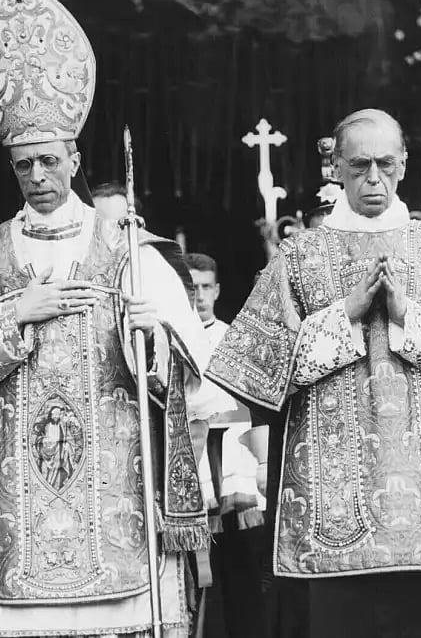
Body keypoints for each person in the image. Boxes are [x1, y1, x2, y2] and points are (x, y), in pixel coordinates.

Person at [0, 0, 209, 637]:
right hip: (18, 504)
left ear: (75, 157)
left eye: (49, 161)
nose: (37, 176)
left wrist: (154, 336)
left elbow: (191, 369)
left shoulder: (131, 249)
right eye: (23, 166)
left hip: (116, 492)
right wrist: (13, 315)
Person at [206, 109, 421, 638]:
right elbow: (262, 372)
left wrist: (407, 314)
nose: (374, 178)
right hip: (331, 501)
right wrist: (347, 315)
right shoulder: (297, 257)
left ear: (404, 164)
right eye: (359, 165)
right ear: (335, 167)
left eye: (386, 163)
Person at [185, 252, 271, 638]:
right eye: (192, 287)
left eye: (206, 287)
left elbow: (254, 406)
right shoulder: (170, 338)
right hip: (189, 464)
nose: (199, 296)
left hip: (233, 469)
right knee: (197, 584)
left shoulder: (233, 340)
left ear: (217, 290)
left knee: (242, 575)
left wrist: (262, 464)